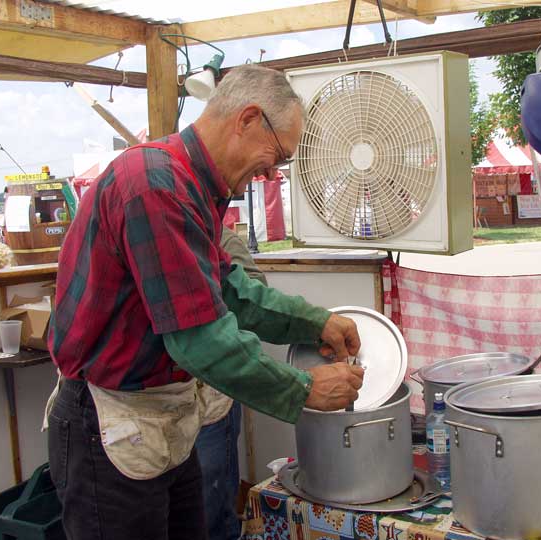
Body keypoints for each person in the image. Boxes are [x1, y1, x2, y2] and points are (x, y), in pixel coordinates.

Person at [45, 64, 365, 540]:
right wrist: (302, 390)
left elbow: (229, 291)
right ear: (248, 119)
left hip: (162, 420)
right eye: (276, 156)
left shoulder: (194, 187)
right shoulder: (155, 183)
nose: (270, 173)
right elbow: (200, 338)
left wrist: (314, 322)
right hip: (110, 426)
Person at [196, 226, 266, 540]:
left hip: (211, 397)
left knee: (212, 500)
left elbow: (255, 293)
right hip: (157, 406)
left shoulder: (221, 237)